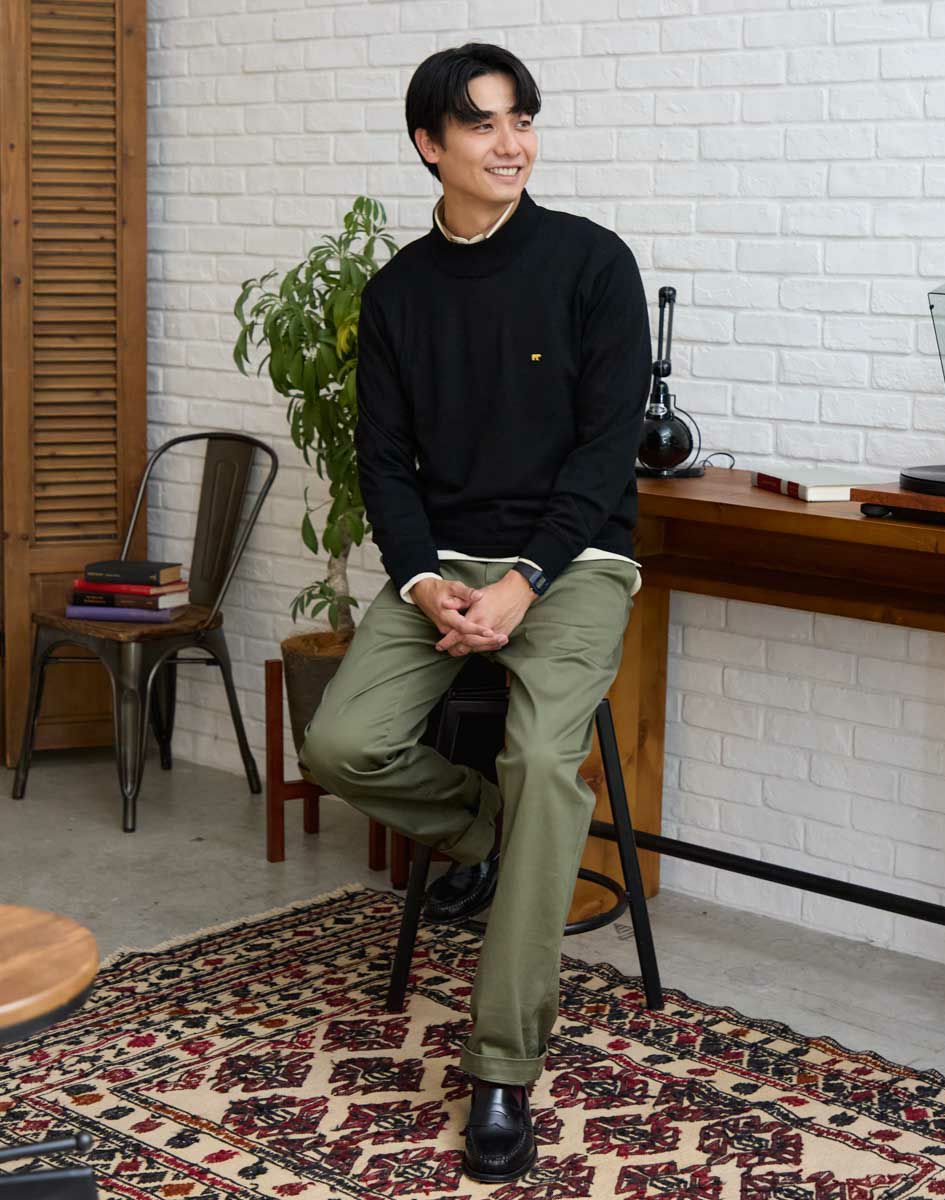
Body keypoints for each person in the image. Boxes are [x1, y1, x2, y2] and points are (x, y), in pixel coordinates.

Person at [299, 42, 652, 1185]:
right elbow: (383, 462)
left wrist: (524, 581)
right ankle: (489, 833)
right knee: (340, 743)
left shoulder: (593, 263)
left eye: (523, 120)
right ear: (429, 145)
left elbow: (606, 454)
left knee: (544, 760)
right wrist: (421, 581)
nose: (512, 143)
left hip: (575, 562)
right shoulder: (398, 293)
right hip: (444, 565)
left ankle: (502, 1068)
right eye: (485, 124)